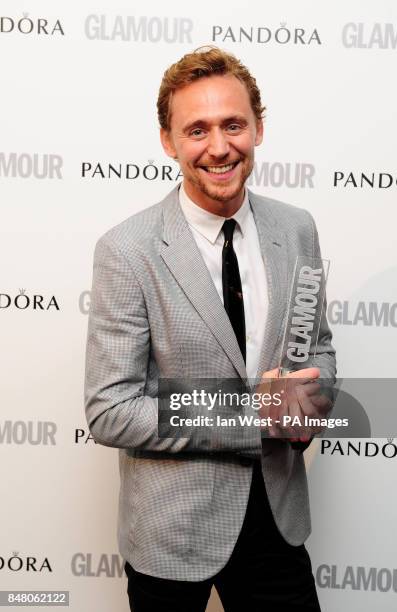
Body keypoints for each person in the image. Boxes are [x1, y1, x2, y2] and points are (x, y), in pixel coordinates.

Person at [84, 46, 336, 611]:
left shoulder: (297, 230)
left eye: (233, 125)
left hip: (278, 519)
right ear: (168, 142)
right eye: (196, 129)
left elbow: (317, 344)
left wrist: (309, 403)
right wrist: (253, 416)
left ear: (259, 129)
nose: (219, 147)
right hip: (173, 535)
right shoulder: (127, 251)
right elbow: (110, 408)